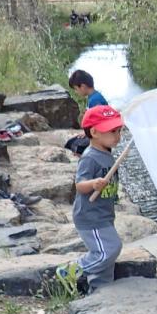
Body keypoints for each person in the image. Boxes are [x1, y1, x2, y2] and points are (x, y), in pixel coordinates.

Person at [56, 105, 125, 292]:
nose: (118, 136)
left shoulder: (107, 154)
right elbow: (79, 185)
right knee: (109, 250)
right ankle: (71, 271)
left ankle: (99, 291)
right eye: (113, 131)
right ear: (94, 132)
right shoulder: (90, 157)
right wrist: (94, 184)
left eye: (119, 131)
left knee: (106, 260)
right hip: (90, 216)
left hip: (104, 214)